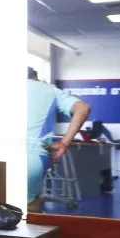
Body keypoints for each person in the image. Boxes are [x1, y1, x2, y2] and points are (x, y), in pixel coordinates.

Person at [27, 67, 91, 211]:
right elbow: (83, 108)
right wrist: (64, 143)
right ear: (36, 78)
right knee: (29, 208)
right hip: (32, 157)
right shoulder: (49, 90)